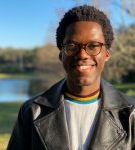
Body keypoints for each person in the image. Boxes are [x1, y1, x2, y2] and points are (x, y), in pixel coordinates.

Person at [7, 5, 135, 150]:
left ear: (106, 54)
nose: (82, 55)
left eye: (93, 46)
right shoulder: (31, 111)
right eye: (72, 46)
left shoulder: (131, 114)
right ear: (61, 54)